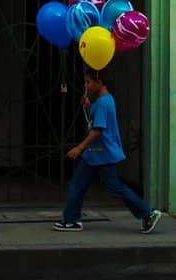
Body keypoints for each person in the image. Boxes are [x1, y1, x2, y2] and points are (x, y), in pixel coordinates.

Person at [53, 69, 162, 233]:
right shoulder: (103, 101)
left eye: (88, 82)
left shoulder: (103, 102)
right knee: (78, 185)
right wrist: (89, 106)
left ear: (99, 82)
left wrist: (79, 147)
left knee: (114, 187)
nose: (86, 85)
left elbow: (98, 129)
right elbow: (97, 122)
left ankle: (148, 213)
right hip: (94, 153)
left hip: (101, 153)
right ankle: (71, 220)